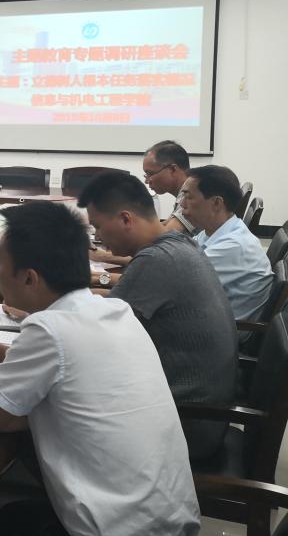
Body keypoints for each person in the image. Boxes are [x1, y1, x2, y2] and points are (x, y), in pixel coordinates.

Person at [0, 201, 199, 536]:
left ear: (29, 278)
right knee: (11, 517)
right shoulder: (114, 310)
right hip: (163, 527)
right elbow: (67, 371)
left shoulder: (48, 329)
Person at [77, 172, 236, 459]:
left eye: (98, 226)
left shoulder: (156, 260)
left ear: (126, 219)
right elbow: (113, 309)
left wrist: (39, 308)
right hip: (202, 414)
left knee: (49, 408)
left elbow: (93, 338)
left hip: (184, 425)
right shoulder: (178, 243)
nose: (97, 237)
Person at [179, 164, 273, 325]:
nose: (182, 203)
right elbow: (181, 255)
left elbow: (172, 281)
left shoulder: (234, 246)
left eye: (188, 197)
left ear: (216, 203)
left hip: (224, 332)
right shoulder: (213, 230)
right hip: (212, 319)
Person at [143, 140, 197, 234]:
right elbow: (165, 225)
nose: (147, 181)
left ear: (173, 169)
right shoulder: (182, 196)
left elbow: (166, 235)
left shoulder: (193, 195)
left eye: (150, 174)